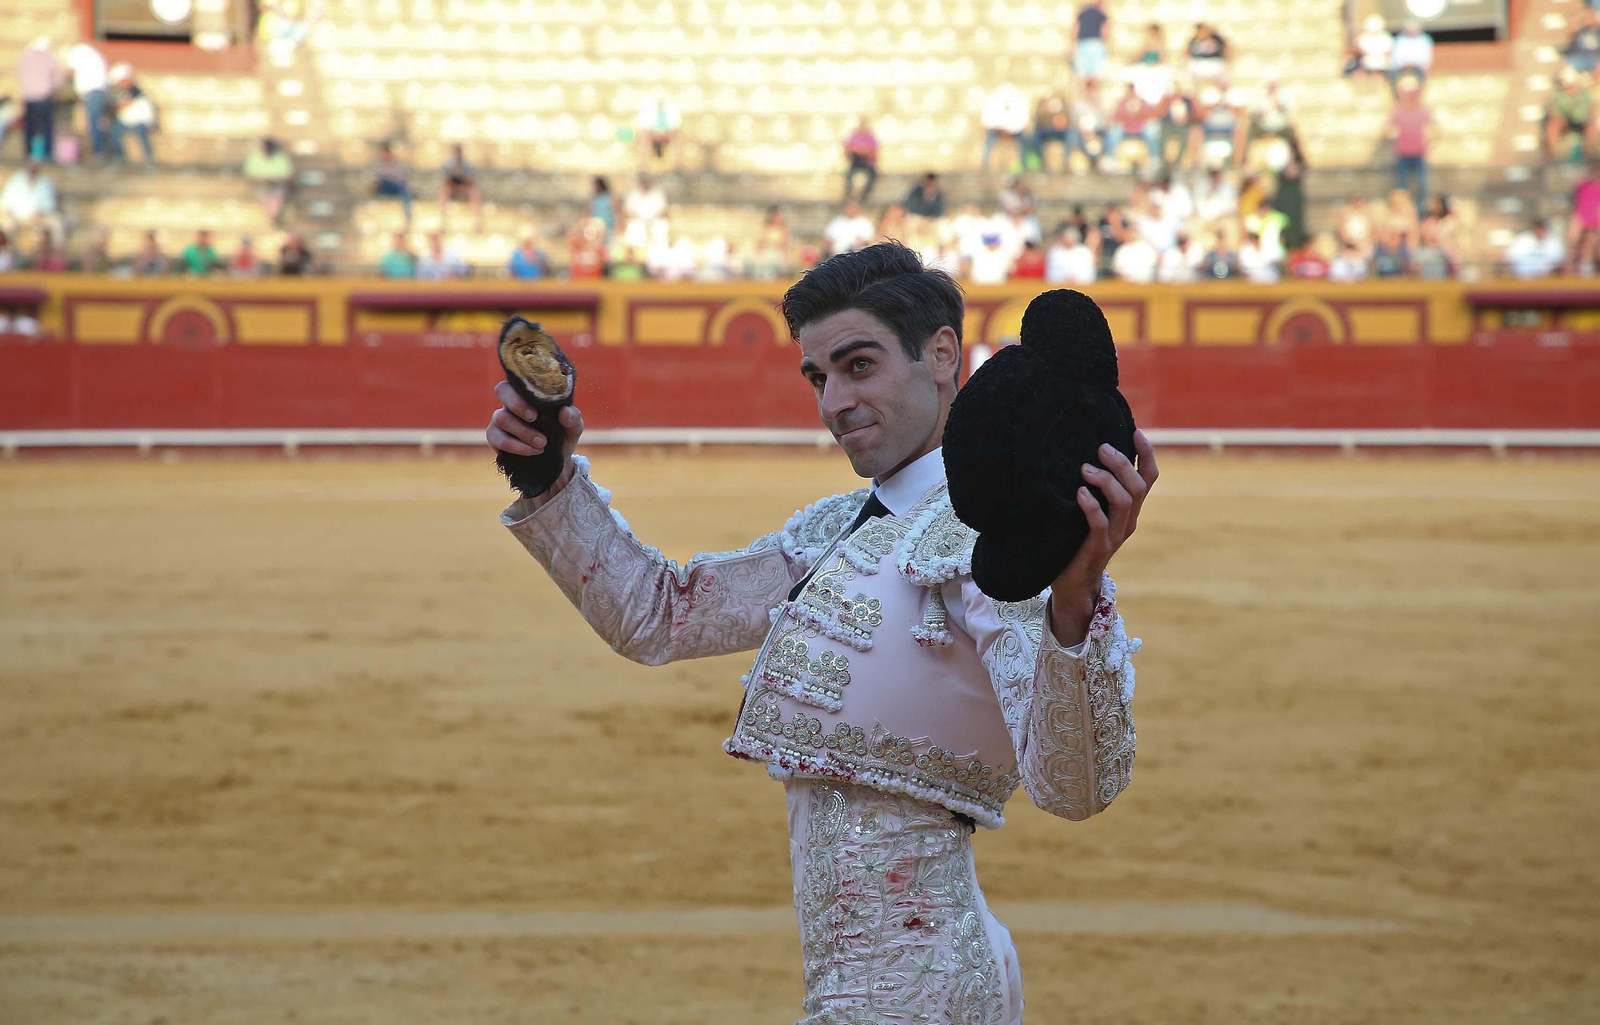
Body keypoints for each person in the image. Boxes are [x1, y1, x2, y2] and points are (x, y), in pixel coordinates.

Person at [485, 242, 1154, 1024]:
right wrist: (549, 476)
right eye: (818, 376)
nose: (833, 402)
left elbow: (1074, 787)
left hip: (918, 991)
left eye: (859, 366)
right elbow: (659, 615)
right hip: (887, 987)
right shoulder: (840, 527)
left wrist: (1075, 602)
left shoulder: (995, 541)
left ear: (942, 354)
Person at [17, 37, 63, 162]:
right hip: (44, 97)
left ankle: (28, 153)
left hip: (28, 97)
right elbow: (58, 80)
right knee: (46, 127)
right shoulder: (50, 59)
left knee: (29, 127)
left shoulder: (25, 58)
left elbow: (19, 75)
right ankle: (47, 153)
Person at [1389, 78, 1430, 212]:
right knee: (1402, 189)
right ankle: (1405, 214)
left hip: (1419, 153)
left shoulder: (1423, 111)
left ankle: (1421, 214)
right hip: (1403, 154)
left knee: (1422, 187)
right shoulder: (1397, 110)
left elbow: (1435, 129)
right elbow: (1388, 129)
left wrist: (1428, 141)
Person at [66, 41, 109, 161]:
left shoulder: (79, 54)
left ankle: (98, 151)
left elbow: (71, 72)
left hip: (92, 93)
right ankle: (98, 150)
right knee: (96, 121)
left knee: (94, 122)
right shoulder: (96, 56)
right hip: (99, 91)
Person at [1, 161, 63, 243]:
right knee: (5, 225)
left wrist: (41, 212)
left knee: (57, 223)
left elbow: (50, 204)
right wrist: (10, 213)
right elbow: (5, 200)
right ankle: (5, 253)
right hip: (16, 218)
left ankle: (57, 252)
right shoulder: (16, 179)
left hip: (39, 218)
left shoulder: (45, 182)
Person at [1545, 66, 1596, 162]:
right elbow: (1554, 113)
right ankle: (1552, 156)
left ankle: (1588, 156)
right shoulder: (1559, 96)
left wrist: (1589, 119)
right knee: (1553, 127)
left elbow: (1591, 109)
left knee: (1591, 128)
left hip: (1582, 121)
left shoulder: (1584, 94)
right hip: (1566, 122)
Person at [108, 63, 156, 164]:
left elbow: (124, 104)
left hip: (140, 120)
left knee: (141, 133)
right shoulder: (120, 91)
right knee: (114, 131)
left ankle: (149, 157)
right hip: (126, 120)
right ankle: (120, 157)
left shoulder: (135, 91)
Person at [243, 137, 294, 225]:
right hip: (260, 186)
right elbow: (248, 176)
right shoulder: (254, 157)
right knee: (263, 194)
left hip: (277, 186)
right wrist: (263, 180)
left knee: (277, 195)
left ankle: (273, 217)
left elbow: (289, 176)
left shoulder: (281, 158)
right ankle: (269, 218)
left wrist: (275, 181)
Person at [980, 84, 1030, 171]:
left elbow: (1022, 122)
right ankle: (985, 165)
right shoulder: (992, 103)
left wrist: (1011, 130)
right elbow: (987, 121)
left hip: (1014, 131)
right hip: (997, 130)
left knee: (1026, 139)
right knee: (989, 140)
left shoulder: (1019, 103)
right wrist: (1001, 129)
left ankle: (1024, 164)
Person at [438, 143, 483, 232]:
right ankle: (443, 222)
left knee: (474, 192)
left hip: (465, 187)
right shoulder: (448, 164)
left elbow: (472, 180)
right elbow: (445, 179)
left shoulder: (468, 165)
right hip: (452, 187)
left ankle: (478, 223)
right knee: (444, 191)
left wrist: (463, 180)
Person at [1566, 162, 1600, 272]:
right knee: (1573, 241)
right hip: (1581, 218)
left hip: (1596, 220)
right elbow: (1575, 182)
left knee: (1593, 245)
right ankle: (1569, 268)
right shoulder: (1585, 185)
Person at [621, 172, 668, 249]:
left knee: (660, 229)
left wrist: (651, 220)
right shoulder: (633, 194)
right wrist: (642, 220)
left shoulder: (657, 194)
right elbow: (628, 211)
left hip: (655, 221)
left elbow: (663, 209)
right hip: (637, 222)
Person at [372, 142, 413, 228]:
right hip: (384, 188)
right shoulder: (378, 166)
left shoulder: (398, 165)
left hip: (397, 187)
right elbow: (375, 181)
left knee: (404, 191)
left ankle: (408, 216)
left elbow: (403, 178)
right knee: (384, 182)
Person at [635, 94, 681, 164]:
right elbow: (643, 124)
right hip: (652, 134)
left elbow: (675, 124)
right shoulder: (647, 108)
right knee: (643, 135)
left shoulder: (672, 107)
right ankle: (644, 165)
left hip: (667, 133)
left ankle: (678, 164)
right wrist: (654, 133)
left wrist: (665, 132)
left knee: (677, 134)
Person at [1390, 20, 1434, 91]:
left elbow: (1426, 56)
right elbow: (1397, 55)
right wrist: (1403, 64)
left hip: (1418, 66)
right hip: (1402, 66)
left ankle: (1418, 95)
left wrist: (1416, 64)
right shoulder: (1400, 39)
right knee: (1392, 74)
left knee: (1421, 77)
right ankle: (1396, 96)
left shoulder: (1423, 40)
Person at [842, 116, 878, 203]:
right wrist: (862, 150)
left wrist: (860, 151)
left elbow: (873, 153)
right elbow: (848, 149)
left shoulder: (870, 137)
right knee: (848, 176)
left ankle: (864, 198)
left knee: (873, 175)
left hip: (867, 162)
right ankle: (848, 198)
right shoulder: (854, 136)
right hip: (856, 162)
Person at [1073, 0, 1110, 78]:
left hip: (1082, 43)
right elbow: (1104, 30)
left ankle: (1083, 89)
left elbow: (1076, 29)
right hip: (1095, 43)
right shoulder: (1101, 14)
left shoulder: (1082, 13)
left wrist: (1074, 44)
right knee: (1096, 72)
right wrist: (1106, 44)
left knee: (1081, 72)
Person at [1355, 15, 1393, 81]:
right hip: (1367, 66)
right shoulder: (1364, 37)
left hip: (1382, 66)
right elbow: (1361, 50)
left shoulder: (1385, 37)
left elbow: (1389, 51)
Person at [1566, 8, 1600, 74]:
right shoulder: (1581, 30)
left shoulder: (1598, 31)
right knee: (1567, 72)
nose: (1590, 20)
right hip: (1579, 57)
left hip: (1595, 58)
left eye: (1592, 17)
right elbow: (1571, 27)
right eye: (1588, 17)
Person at [588, 176, 615, 241]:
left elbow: (616, 211)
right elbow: (589, 211)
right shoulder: (594, 197)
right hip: (596, 225)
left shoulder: (609, 196)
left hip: (608, 225)